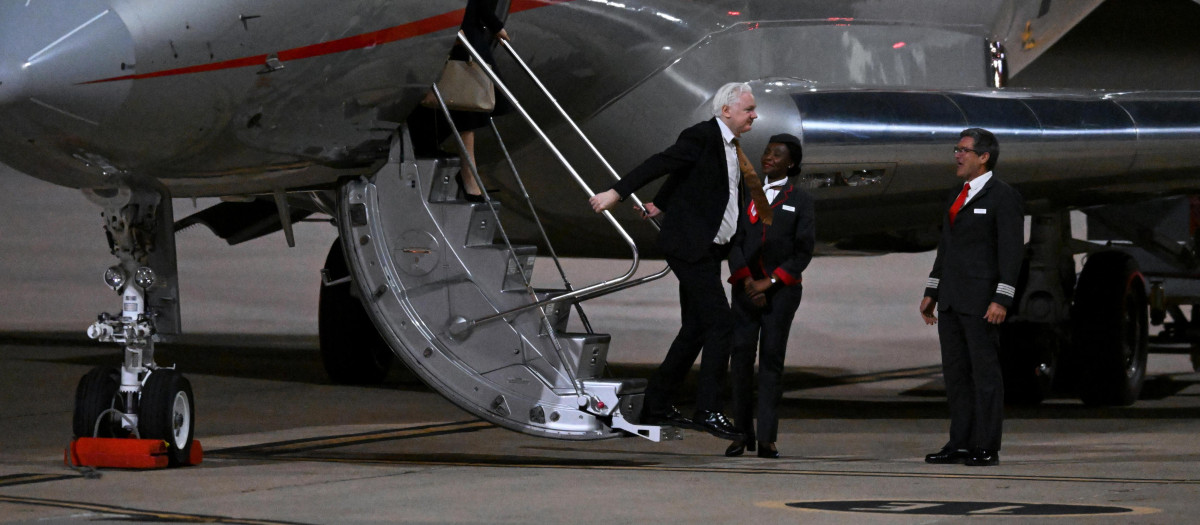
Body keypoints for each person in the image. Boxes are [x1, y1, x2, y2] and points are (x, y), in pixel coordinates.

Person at [588, 82, 758, 441]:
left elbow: (684, 176)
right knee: (721, 324)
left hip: (710, 249)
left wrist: (659, 204)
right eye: (749, 109)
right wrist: (616, 194)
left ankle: (657, 404)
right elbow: (662, 163)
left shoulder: (730, 146)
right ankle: (708, 409)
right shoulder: (700, 136)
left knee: (695, 328)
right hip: (689, 247)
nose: (754, 115)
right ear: (726, 111)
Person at [919, 128, 1024, 467]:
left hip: (981, 303)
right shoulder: (957, 194)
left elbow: (1011, 253)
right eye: (956, 149)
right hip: (950, 300)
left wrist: (1002, 299)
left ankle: (986, 445)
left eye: (964, 150)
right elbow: (946, 249)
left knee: (985, 376)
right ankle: (960, 442)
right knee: (956, 376)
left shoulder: (1002, 196)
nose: (957, 155)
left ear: (984, 157)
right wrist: (932, 291)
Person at [724, 134, 815, 459]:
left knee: (772, 362)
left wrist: (771, 283)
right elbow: (733, 241)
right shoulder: (746, 193)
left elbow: (803, 251)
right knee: (740, 361)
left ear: (791, 163)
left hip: (781, 293)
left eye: (778, 155)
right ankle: (740, 434)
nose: (769, 158)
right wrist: (749, 282)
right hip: (746, 289)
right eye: (767, 152)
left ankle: (767, 437)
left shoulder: (800, 200)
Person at [430, 0, 510, 202]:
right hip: (459, 32)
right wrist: (495, 25)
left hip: (463, 30)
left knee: (468, 108)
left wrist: (494, 24)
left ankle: (469, 175)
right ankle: (469, 176)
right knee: (467, 109)